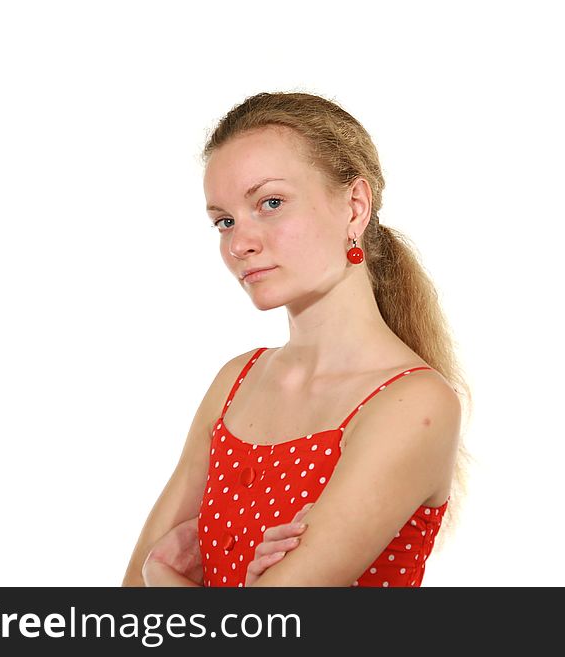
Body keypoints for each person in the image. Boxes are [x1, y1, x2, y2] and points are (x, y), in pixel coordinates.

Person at [122, 91, 471, 587]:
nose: (239, 242)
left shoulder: (413, 404)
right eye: (224, 220)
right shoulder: (235, 382)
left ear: (354, 206)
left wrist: (163, 576)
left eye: (270, 203)